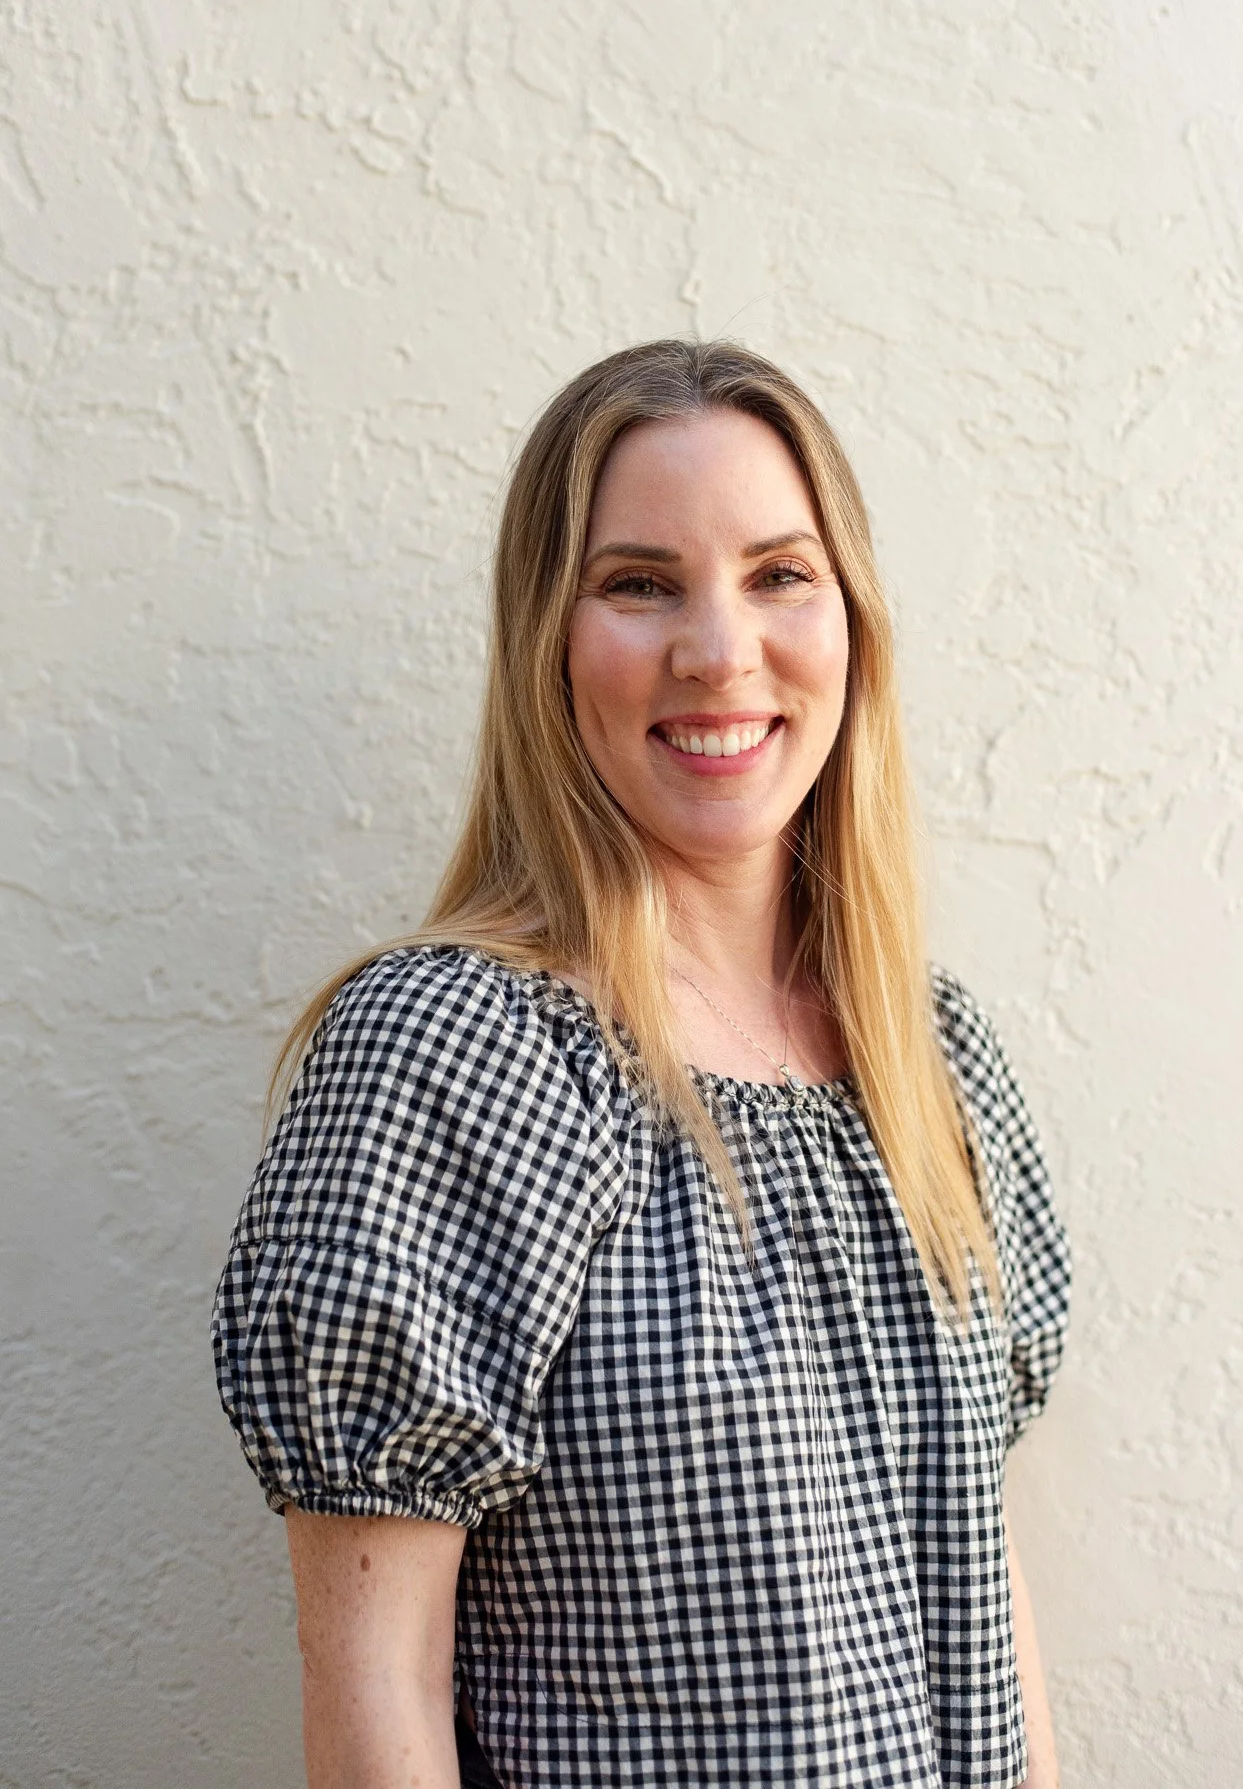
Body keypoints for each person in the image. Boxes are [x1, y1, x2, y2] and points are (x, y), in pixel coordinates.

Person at [213, 338, 1071, 1789]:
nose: (719, 651)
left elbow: (986, 1601)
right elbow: (376, 1707)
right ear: (547, 637)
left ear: (849, 618)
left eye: (777, 574)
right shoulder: (451, 1059)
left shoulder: (933, 1061)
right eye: (638, 583)